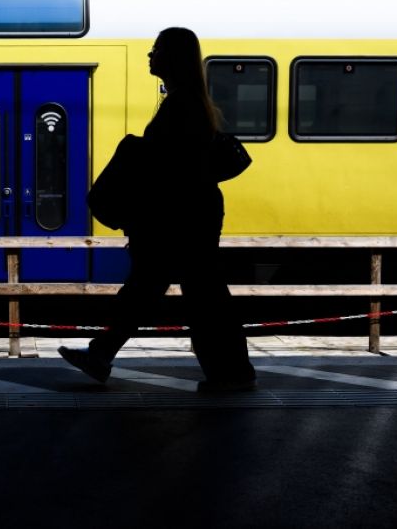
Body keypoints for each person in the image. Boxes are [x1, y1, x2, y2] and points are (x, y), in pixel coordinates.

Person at [59, 27, 256, 392]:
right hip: (187, 215)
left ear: (173, 58)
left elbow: (169, 167)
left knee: (196, 297)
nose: (150, 55)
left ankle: (233, 374)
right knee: (169, 291)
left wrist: (135, 151)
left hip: (180, 218)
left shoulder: (182, 106)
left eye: (157, 50)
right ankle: (103, 354)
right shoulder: (188, 102)